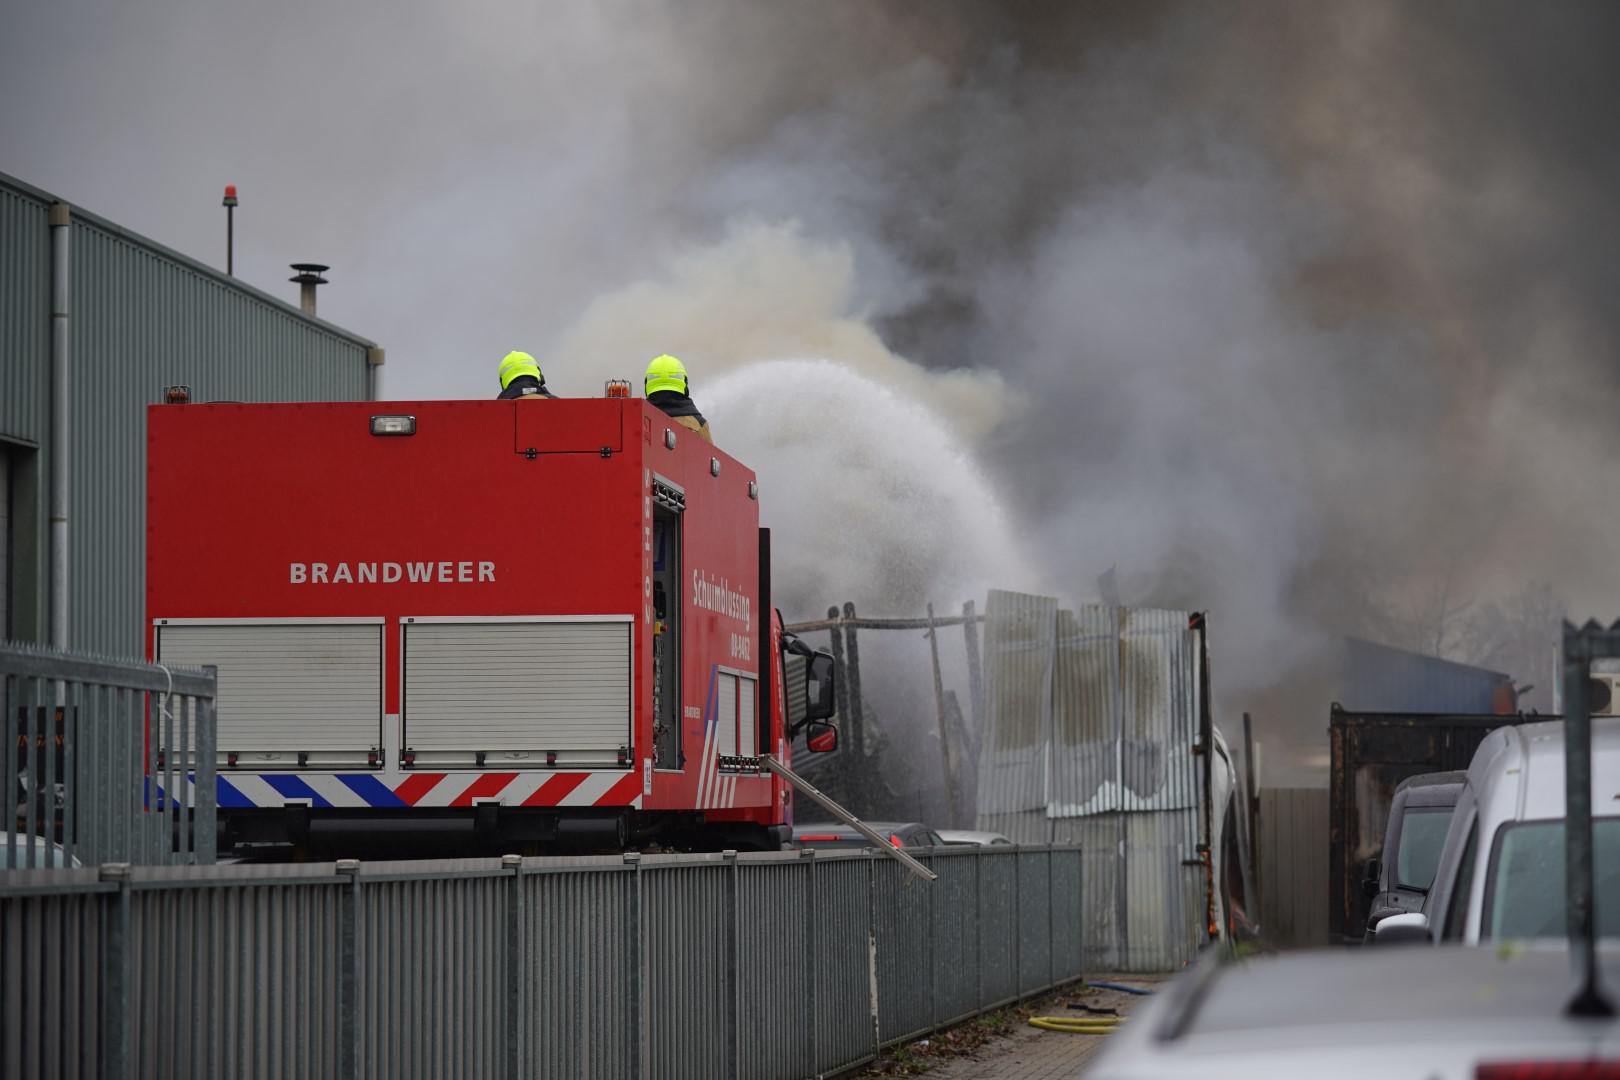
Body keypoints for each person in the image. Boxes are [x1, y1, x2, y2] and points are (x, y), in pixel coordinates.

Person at [644, 354, 711, 442]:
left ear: (647, 383)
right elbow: (708, 454)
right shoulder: (699, 424)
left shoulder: (635, 419)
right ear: (684, 383)